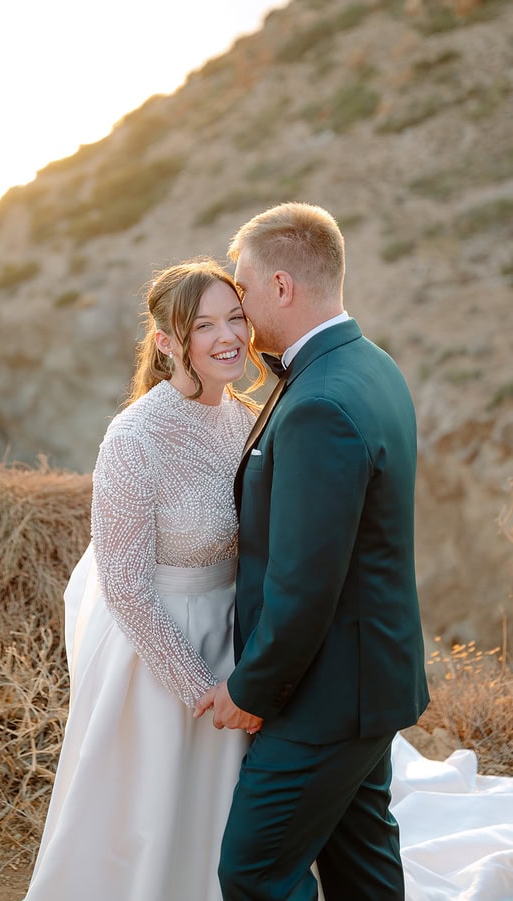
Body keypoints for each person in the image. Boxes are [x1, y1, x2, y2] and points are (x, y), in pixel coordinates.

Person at [195, 202, 430, 900]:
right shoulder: (369, 364)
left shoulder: (321, 401)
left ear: (282, 286)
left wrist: (250, 687)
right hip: (368, 683)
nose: (238, 304)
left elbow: (304, 582)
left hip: (324, 700)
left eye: (243, 286)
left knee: (256, 871)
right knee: (363, 867)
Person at [24, 259, 265, 901]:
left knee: (217, 817)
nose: (227, 337)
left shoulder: (245, 420)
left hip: (232, 632)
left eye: (236, 317)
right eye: (204, 324)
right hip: (157, 649)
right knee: (149, 815)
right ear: (166, 343)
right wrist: (201, 689)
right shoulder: (134, 438)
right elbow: (126, 585)